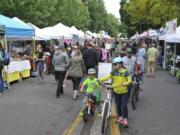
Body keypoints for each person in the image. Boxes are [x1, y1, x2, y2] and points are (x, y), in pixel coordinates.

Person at [99, 57, 132, 127]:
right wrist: (99, 80)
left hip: (124, 92)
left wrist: (125, 83)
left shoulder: (126, 72)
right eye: (114, 64)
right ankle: (120, 117)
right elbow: (107, 77)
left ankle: (125, 118)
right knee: (118, 106)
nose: (114, 65)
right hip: (116, 91)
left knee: (124, 105)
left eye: (115, 64)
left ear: (120, 64)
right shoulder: (114, 72)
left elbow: (129, 80)